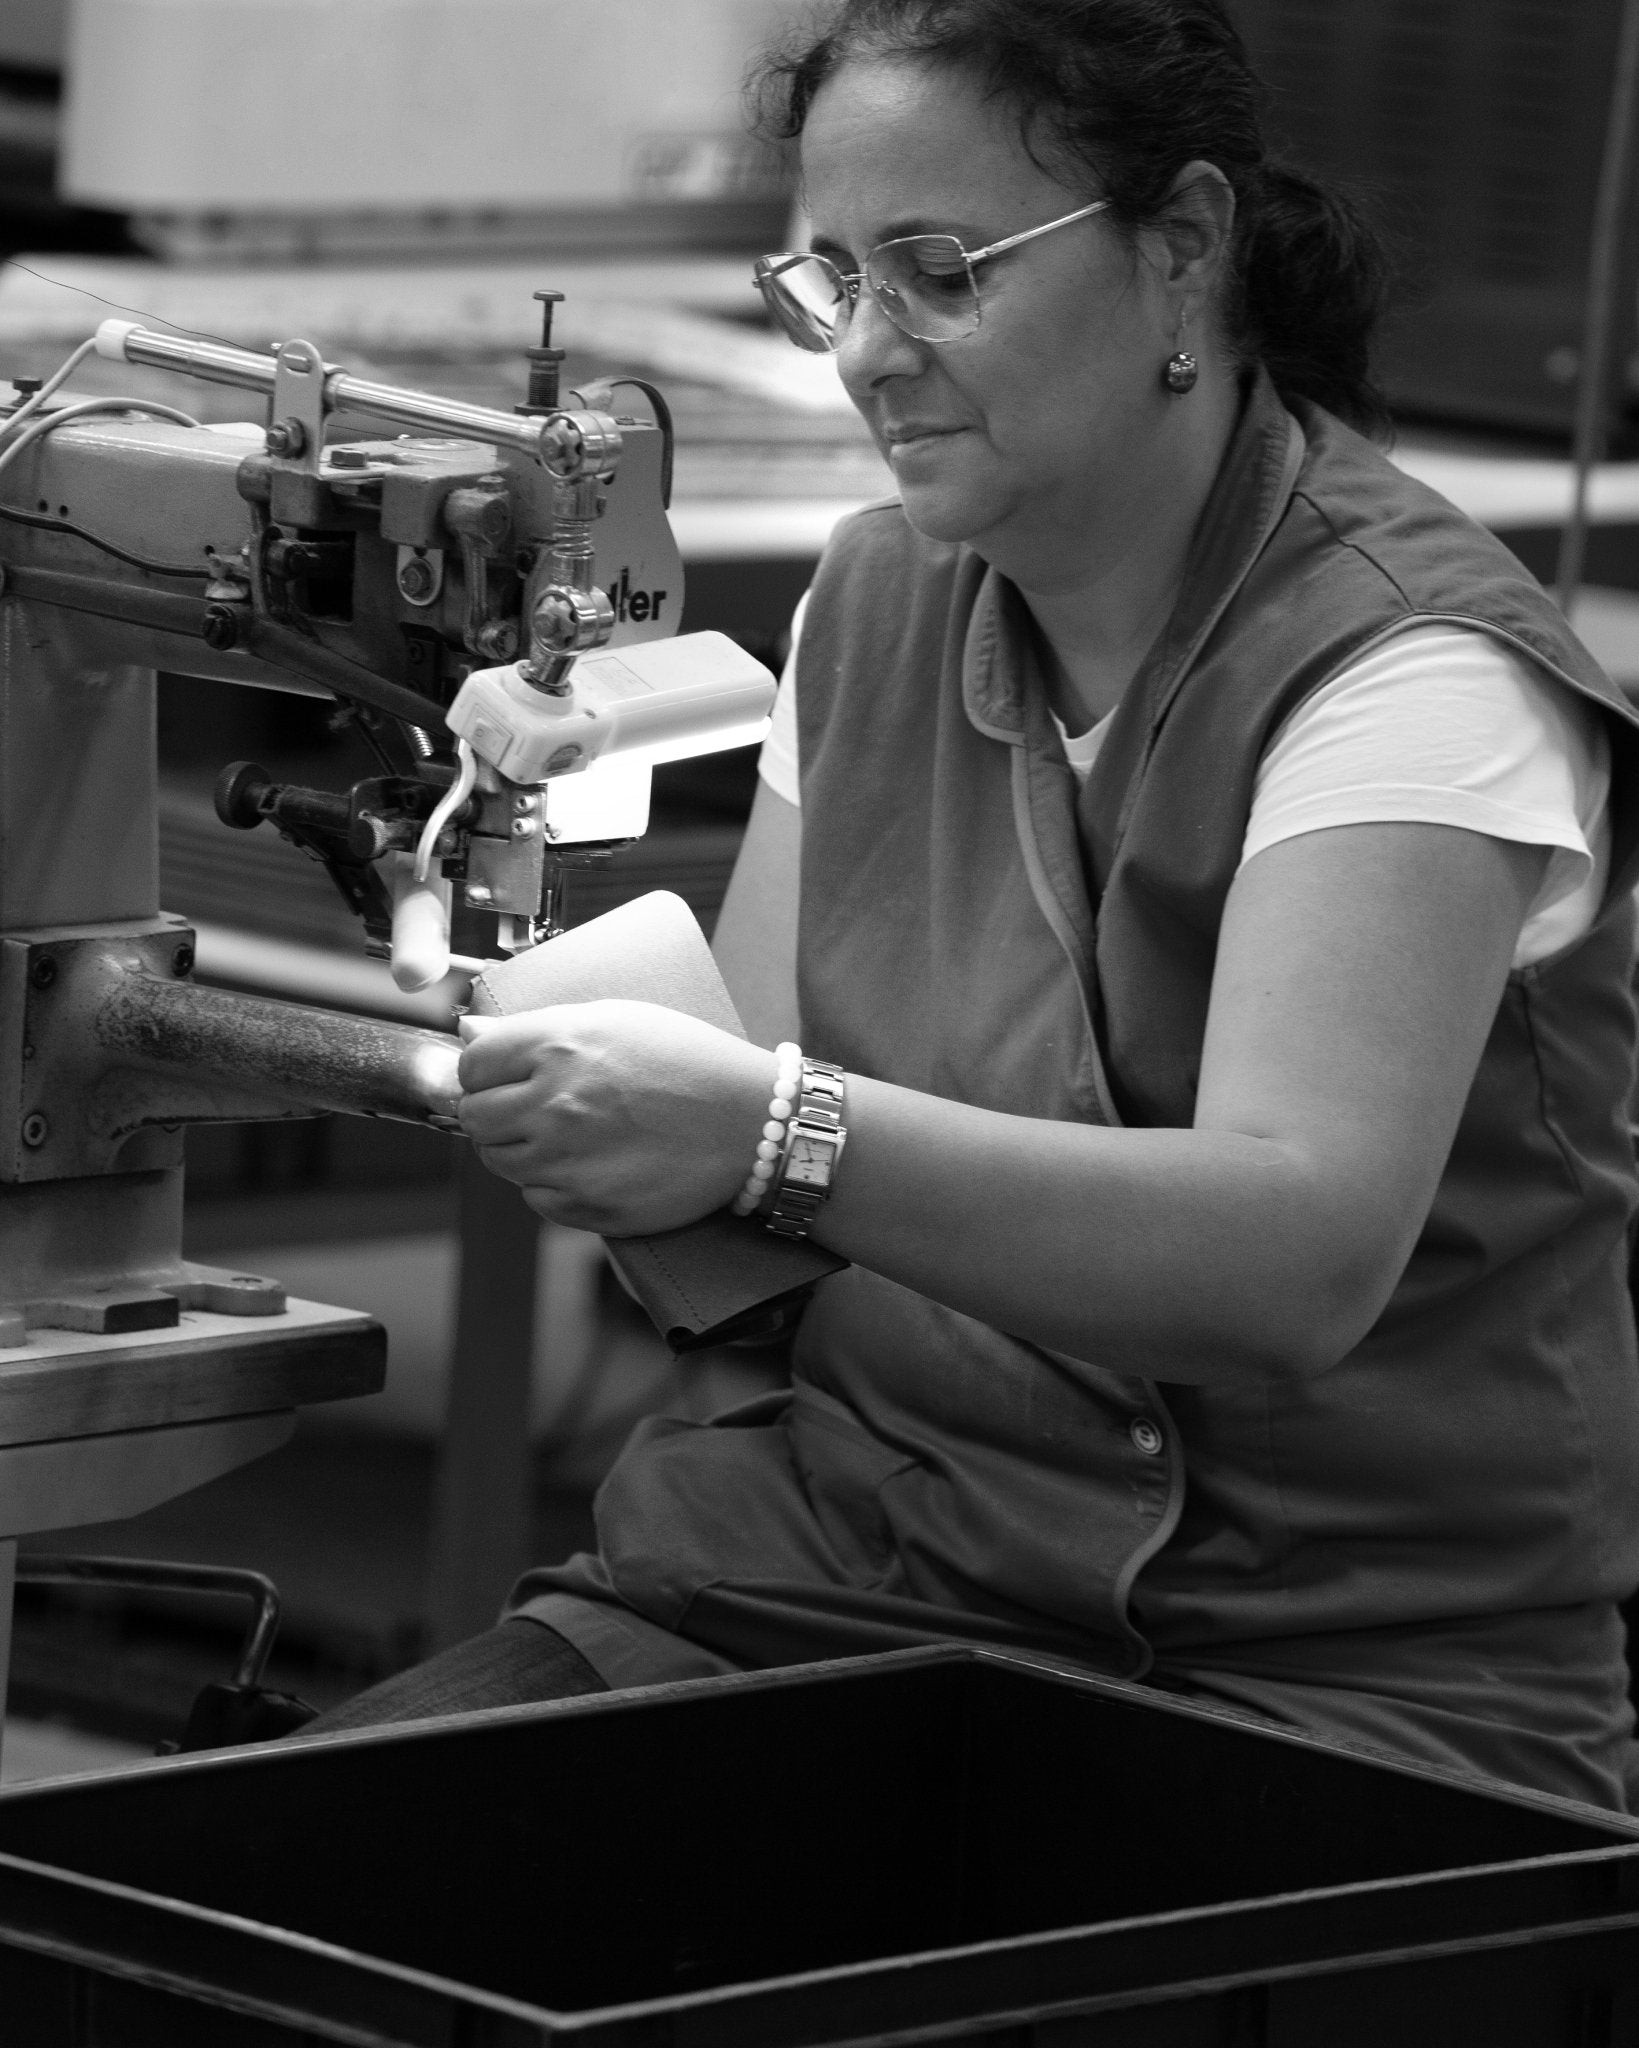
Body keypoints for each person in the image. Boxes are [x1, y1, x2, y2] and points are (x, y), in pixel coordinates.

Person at [304, 0, 1639, 1810]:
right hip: (840, 1578)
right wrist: (580, 1053)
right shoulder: (878, 597)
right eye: (830, 279)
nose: (869, 351)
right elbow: (761, 1228)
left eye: (941, 272)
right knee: (206, 1909)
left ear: (1180, 249)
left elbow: (1288, 1258)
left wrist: (761, 1131)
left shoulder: (1412, 668)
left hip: (1327, 1679)